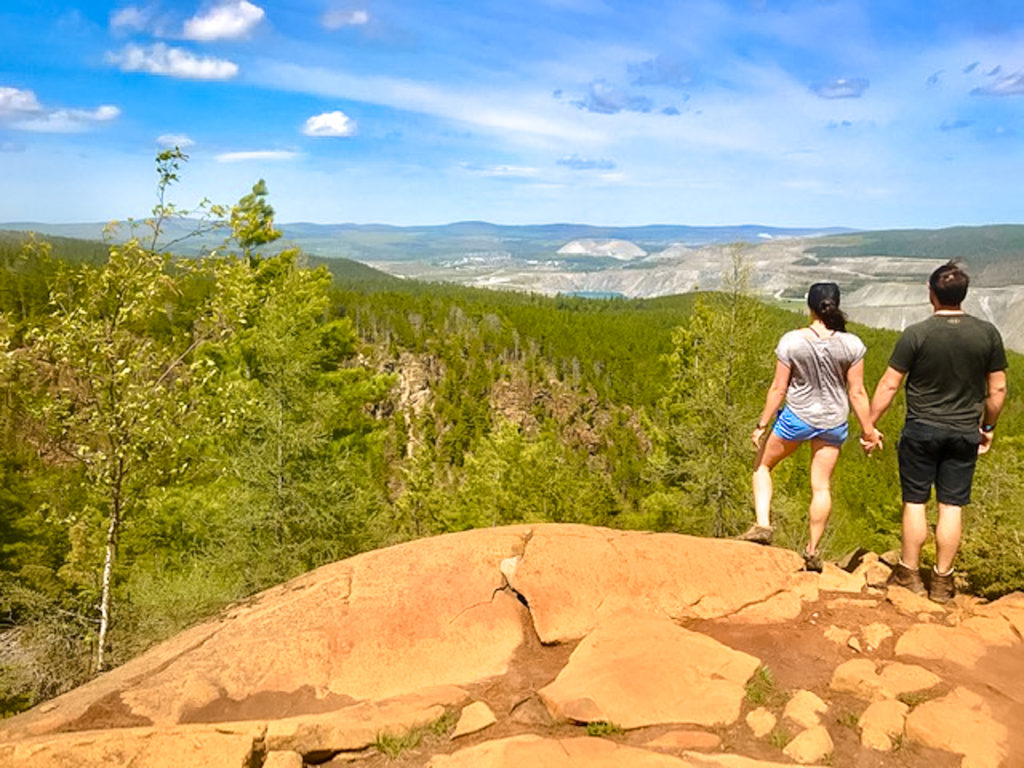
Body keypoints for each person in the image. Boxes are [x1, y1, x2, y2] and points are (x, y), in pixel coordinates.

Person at [869, 261, 1007, 603]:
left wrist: (869, 423)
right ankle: (943, 582)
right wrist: (987, 427)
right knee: (951, 506)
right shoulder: (987, 333)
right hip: (964, 431)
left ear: (932, 293)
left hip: (921, 429)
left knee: (915, 501)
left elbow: (889, 384)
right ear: (963, 295)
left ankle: (910, 573)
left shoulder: (917, 333)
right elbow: (998, 390)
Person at [738, 282, 879, 571]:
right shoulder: (852, 344)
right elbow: (857, 393)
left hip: (796, 418)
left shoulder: (792, 340)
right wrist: (869, 431)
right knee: (821, 487)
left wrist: (761, 424)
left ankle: (763, 526)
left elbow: (778, 389)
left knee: (761, 466)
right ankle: (812, 551)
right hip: (833, 421)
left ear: (809, 307)